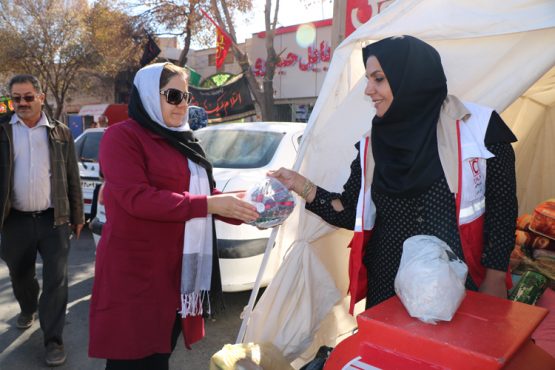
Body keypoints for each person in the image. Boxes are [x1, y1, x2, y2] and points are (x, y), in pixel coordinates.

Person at [270, 35, 518, 310]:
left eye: (378, 79)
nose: (368, 90)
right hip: (390, 292)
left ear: (411, 78)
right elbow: (352, 211)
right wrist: (300, 184)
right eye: (368, 79)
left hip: (458, 288)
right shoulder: (373, 144)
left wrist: (495, 276)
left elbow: (502, 208)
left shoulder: (479, 130)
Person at [88, 62, 259, 370]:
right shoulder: (121, 137)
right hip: (135, 279)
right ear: (150, 97)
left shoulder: (183, 141)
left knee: (160, 356)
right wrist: (207, 205)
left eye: (186, 96)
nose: (183, 105)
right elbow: (136, 198)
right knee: (132, 362)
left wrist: (254, 207)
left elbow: (206, 197)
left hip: (176, 276)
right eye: (173, 96)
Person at [0, 74, 84, 366]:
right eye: (16, 98)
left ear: (40, 96)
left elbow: (72, 176)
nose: (21, 103)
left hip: (54, 219)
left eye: (27, 97)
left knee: (56, 281)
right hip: (14, 220)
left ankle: (53, 340)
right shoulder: (3, 131)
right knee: (20, 274)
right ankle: (27, 306)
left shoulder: (61, 132)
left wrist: (77, 215)